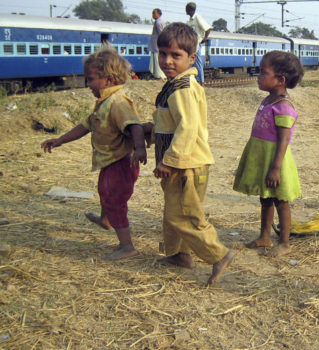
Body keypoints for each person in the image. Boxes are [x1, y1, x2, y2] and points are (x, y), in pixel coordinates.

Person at [146, 22, 233, 286]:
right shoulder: (177, 84)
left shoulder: (182, 88)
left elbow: (187, 127)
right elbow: (170, 124)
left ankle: (218, 255)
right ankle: (179, 255)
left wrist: (168, 161)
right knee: (173, 210)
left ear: (191, 58)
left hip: (185, 165)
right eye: (163, 54)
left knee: (182, 215)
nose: (167, 61)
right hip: (182, 163)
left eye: (176, 55)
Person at [41, 48, 147, 260]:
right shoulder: (104, 102)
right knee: (105, 192)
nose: (87, 85)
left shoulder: (117, 102)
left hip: (121, 163)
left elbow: (134, 126)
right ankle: (106, 220)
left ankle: (127, 246)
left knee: (115, 200)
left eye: (90, 80)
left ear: (107, 79)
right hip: (110, 161)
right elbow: (85, 125)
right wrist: (60, 140)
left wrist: (140, 147)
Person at [233, 51, 304, 257]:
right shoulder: (269, 100)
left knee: (281, 201)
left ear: (280, 80)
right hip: (262, 157)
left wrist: (275, 168)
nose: (258, 76)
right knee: (265, 198)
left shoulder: (283, 107)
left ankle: (284, 243)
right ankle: (264, 236)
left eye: (263, 73)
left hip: (276, 160)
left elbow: (283, 140)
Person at [185, 2, 211, 84]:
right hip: (191, 43)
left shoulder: (197, 18)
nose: (185, 10)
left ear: (190, 10)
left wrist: (204, 38)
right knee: (192, 62)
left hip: (197, 43)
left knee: (197, 62)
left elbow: (208, 28)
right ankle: (194, 79)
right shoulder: (189, 20)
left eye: (187, 9)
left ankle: (201, 81)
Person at [148, 8, 166, 79]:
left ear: (159, 14)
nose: (152, 15)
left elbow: (162, 34)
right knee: (155, 61)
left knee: (157, 61)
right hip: (155, 45)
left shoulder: (158, 22)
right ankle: (157, 75)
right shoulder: (159, 21)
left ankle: (159, 76)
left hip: (157, 46)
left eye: (154, 13)